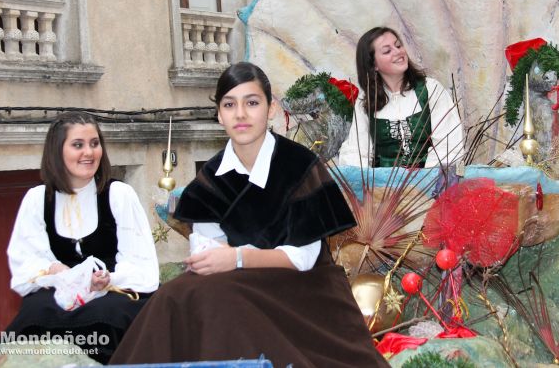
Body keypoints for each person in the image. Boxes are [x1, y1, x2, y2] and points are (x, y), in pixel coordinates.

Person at [110, 62, 389, 367]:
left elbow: (303, 259)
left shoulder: (299, 165)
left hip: (305, 292)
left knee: (221, 299)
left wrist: (238, 258)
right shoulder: (210, 179)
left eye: (252, 102)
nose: (240, 114)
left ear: (271, 109)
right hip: (237, 286)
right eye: (229, 105)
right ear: (219, 114)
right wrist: (217, 260)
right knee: (175, 294)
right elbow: (209, 251)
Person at [5, 111, 159, 363]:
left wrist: (107, 279)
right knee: (36, 312)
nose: (89, 152)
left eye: (94, 143)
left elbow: (142, 264)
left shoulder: (119, 194)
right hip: (59, 294)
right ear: (58, 151)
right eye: (78, 145)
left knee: (106, 313)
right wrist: (53, 270)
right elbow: (25, 263)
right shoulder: (37, 199)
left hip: (113, 294)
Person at [338, 26, 464, 169]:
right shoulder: (366, 101)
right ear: (373, 65)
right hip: (383, 188)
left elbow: (449, 145)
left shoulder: (431, 89)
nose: (398, 52)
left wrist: (423, 183)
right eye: (387, 51)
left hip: (432, 184)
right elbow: (358, 152)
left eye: (398, 45)